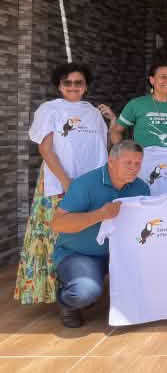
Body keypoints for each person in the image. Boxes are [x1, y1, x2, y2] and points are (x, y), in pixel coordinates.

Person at [15, 63, 115, 305]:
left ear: (86, 86)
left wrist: (112, 122)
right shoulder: (50, 109)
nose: (73, 87)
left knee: (84, 235)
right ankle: (55, 293)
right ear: (59, 85)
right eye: (67, 82)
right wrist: (66, 182)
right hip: (59, 184)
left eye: (78, 82)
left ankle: (78, 286)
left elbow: (105, 151)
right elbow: (45, 148)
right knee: (54, 236)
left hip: (88, 187)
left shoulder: (93, 112)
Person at [50, 140, 150, 327]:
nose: (133, 168)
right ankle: (67, 301)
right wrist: (100, 214)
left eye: (137, 163)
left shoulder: (142, 187)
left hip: (122, 254)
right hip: (81, 253)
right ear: (111, 162)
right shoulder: (84, 184)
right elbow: (57, 224)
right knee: (84, 293)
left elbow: (152, 219)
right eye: (128, 163)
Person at [111, 62, 167, 159]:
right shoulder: (136, 104)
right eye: (163, 77)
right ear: (152, 80)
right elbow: (116, 131)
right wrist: (123, 151)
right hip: (144, 161)